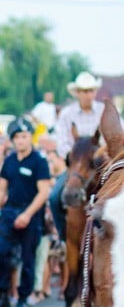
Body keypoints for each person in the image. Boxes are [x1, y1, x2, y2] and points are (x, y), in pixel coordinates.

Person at [0, 118, 51, 307]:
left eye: (24, 136)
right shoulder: (9, 161)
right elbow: (1, 189)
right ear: (12, 140)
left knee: (28, 258)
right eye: (17, 137)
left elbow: (44, 191)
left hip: (30, 213)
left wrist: (27, 214)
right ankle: (3, 295)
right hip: (9, 211)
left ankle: (22, 298)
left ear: (30, 137)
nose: (20, 140)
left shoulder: (39, 161)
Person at [49, 71, 104, 241]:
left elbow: (117, 135)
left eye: (90, 90)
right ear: (77, 93)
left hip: (100, 167)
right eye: (84, 91)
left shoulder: (104, 111)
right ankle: (63, 239)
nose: (88, 94)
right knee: (54, 198)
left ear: (95, 92)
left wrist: (99, 155)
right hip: (76, 167)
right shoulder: (67, 114)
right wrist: (73, 158)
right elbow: (62, 141)